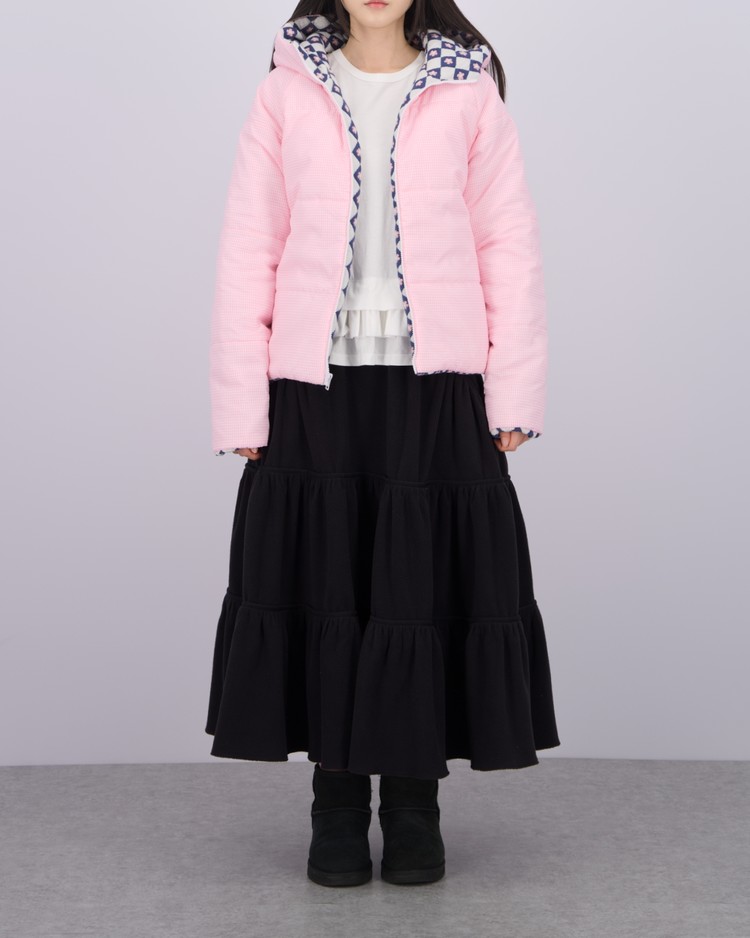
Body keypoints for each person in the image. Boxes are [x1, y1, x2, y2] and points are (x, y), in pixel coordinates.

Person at [204, 0, 560, 888]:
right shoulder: (286, 92)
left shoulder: (469, 92)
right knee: (328, 589)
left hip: (436, 383)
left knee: (417, 589)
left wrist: (513, 390)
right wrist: (243, 406)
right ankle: (334, 805)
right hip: (313, 385)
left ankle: (411, 806)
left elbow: (508, 243)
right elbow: (249, 246)